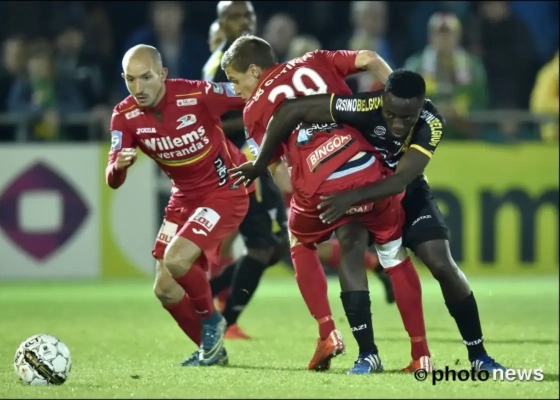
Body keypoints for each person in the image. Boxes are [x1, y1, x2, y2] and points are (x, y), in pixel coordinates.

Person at [234, 68, 506, 373]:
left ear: (421, 105)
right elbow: (291, 110)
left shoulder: (432, 122)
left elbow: (401, 179)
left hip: (404, 190)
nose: (398, 124)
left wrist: (349, 197)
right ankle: (368, 354)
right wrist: (261, 163)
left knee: (440, 263)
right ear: (383, 99)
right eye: (391, 115)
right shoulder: (363, 105)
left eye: (407, 118)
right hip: (362, 187)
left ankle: (478, 355)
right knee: (351, 246)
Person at [224, 35, 432, 374]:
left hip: (320, 186)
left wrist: (302, 191)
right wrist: (399, 102)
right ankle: (421, 354)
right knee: (394, 255)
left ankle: (328, 333)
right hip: (367, 169)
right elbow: (369, 58)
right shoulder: (315, 59)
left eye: (235, 80)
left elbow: (283, 178)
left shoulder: (253, 111)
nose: (236, 90)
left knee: (299, 241)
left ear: (253, 70)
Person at [106, 44, 251, 367]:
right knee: (165, 290)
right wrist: (119, 166)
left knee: (177, 258)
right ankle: (211, 351)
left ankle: (212, 320)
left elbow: (252, 93)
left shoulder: (197, 95)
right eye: (130, 80)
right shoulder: (124, 116)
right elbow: (112, 179)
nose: (138, 88)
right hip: (183, 199)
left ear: (163, 74)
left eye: (146, 77)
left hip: (224, 191)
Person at [202, 1, 291, 340]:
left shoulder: (249, 57)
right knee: (263, 246)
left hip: (257, 160)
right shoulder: (222, 66)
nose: (243, 21)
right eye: (234, 16)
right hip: (239, 162)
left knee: (275, 246)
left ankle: (208, 294)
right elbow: (210, 119)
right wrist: (264, 114)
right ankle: (224, 321)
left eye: (248, 15)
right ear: (221, 23)